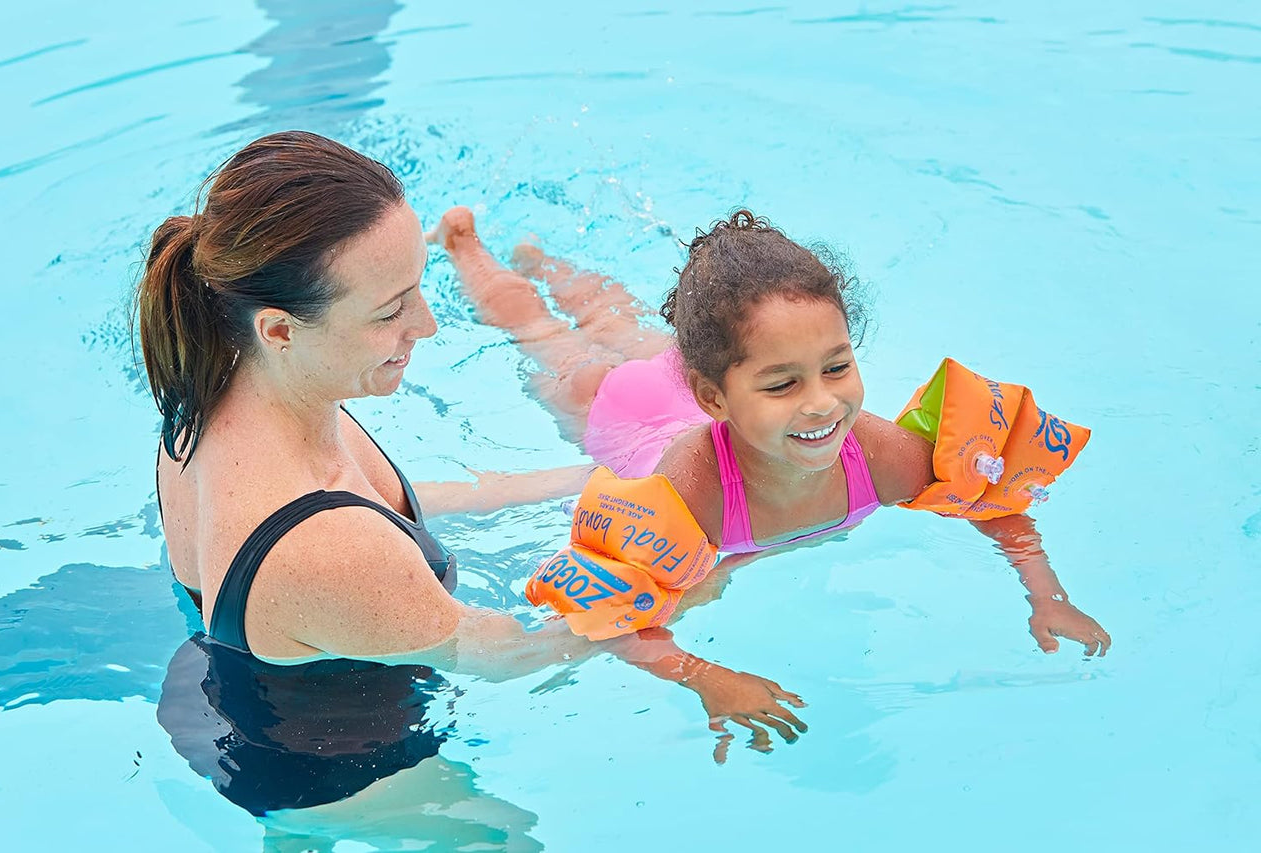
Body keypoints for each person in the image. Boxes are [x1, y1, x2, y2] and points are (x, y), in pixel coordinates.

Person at [136, 130, 804, 801]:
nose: (426, 324)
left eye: (416, 287)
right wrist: (720, 564)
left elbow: (362, 498)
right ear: (280, 329)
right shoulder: (329, 551)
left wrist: (553, 484)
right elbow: (516, 654)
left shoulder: (220, 386)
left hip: (251, 670)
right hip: (340, 777)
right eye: (390, 309)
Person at [429, 206, 1112, 657]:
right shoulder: (688, 489)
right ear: (714, 395)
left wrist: (1046, 594)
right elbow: (623, 615)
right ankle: (468, 245)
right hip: (627, 412)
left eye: (837, 367)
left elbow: (989, 499)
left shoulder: (875, 454)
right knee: (544, 336)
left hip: (697, 387)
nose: (822, 405)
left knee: (612, 315)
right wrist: (707, 677)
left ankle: (545, 259)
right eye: (786, 384)